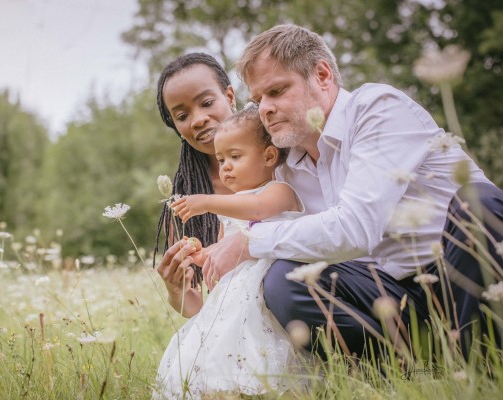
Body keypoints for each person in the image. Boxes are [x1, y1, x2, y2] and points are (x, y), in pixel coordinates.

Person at [202, 24, 503, 359]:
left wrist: (250, 242)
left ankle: (481, 362)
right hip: (396, 295)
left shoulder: (377, 109)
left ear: (322, 75)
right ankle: (408, 369)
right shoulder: (285, 163)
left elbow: (356, 228)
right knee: (284, 281)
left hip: (462, 275)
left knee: (479, 203)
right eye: (257, 100)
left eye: (276, 91)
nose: (265, 109)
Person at [154, 105, 307, 399]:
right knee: (225, 343)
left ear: (269, 156)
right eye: (222, 159)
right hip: (234, 294)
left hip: (268, 287)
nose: (225, 167)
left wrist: (207, 202)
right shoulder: (231, 206)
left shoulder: (278, 191)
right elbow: (223, 254)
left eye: (235, 157)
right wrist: (199, 254)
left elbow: (258, 210)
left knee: (265, 341)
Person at [154, 53, 236, 318]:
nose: (197, 119)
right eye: (182, 115)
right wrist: (175, 291)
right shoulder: (185, 204)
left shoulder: (281, 162)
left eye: (207, 102)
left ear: (230, 97)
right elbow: (198, 310)